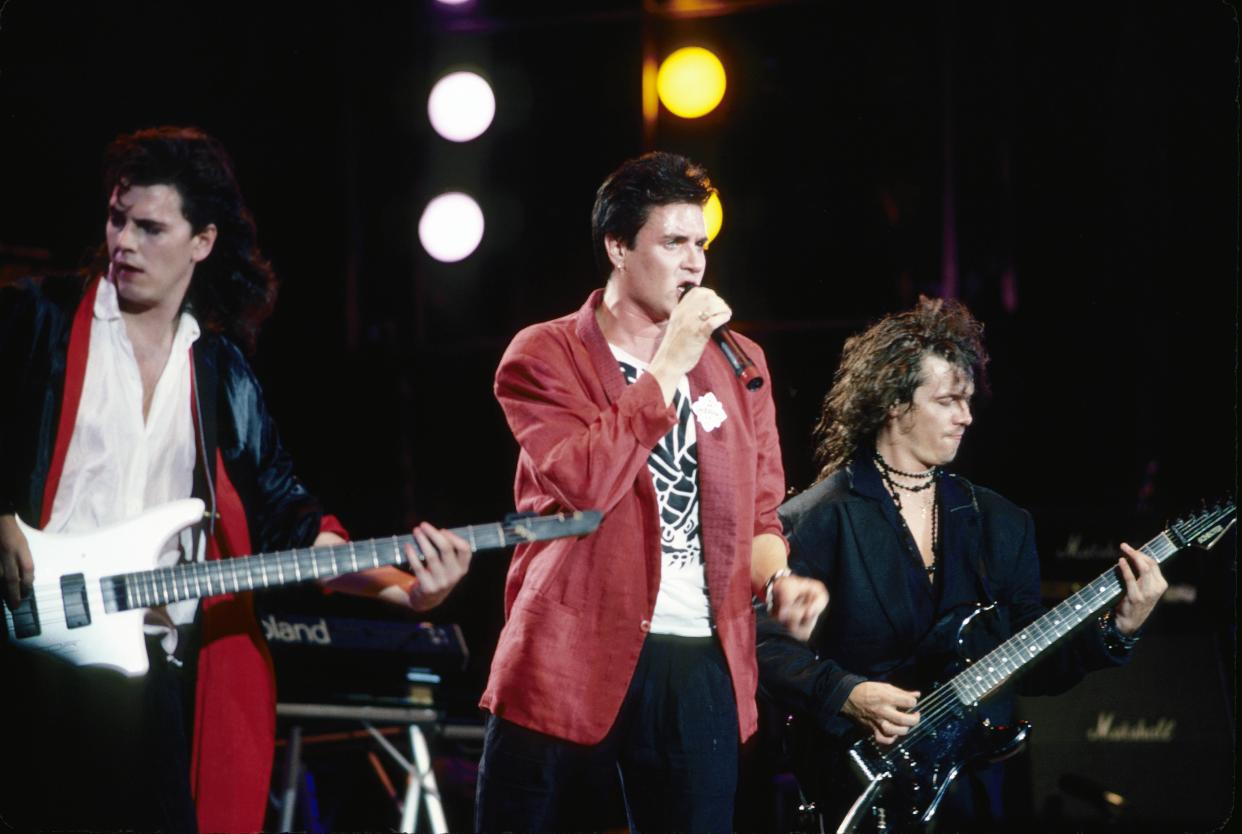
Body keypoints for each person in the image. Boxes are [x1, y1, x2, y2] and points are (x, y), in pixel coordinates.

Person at [0, 126, 472, 833]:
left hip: (147, 678)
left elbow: (291, 524)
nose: (123, 241)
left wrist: (408, 591)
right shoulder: (37, 317)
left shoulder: (220, 373)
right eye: (116, 219)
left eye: (150, 227)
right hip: (25, 659)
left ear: (203, 241)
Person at [474, 150, 829, 833]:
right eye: (673, 243)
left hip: (698, 655)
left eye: (701, 245)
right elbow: (583, 484)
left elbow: (759, 511)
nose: (694, 264)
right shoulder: (545, 355)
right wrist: (669, 363)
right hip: (569, 653)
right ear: (617, 246)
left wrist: (778, 579)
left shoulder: (740, 363)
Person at [756, 296, 1167, 831]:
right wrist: (846, 693)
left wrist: (1118, 630)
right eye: (949, 400)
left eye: (969, 399)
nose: (966, 416)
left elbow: (1031, 659)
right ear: (894, 403)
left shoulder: (1002, 523)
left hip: (970, 793)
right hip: (855, 788)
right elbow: (761, 646)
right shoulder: (816, 519)